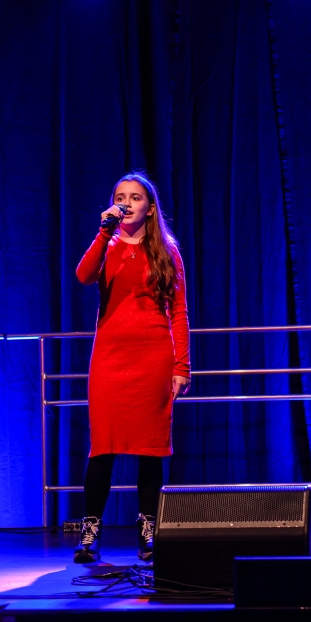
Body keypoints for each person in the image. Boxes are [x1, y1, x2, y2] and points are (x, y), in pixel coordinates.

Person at [73, 172, 191, 563]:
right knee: (102, 449)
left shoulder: (167, 252)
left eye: (135, 197)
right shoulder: (106, 245)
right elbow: (83, 275)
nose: (126, 203)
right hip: (109, 359)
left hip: (153, 359)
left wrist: (182, 366)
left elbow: (178, 312)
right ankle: (90, 532)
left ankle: (148, 530)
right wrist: (103, 232)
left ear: (150, 208)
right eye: (120, 197)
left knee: (150, 450)